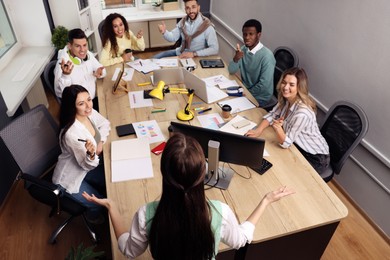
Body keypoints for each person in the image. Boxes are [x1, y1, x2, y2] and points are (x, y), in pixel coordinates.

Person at [83, 133, 294, 259]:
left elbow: (128, 250)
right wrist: (265, 201)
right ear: (203, 174)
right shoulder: (219, 212)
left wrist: (112, 207)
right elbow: (241, 239)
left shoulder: (145, 214)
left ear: (164, 174)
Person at [246, 67, 330, 174]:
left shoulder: (302, 113)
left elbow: (286, 143)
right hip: (296, 145)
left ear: (299, 87)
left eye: (291, 85)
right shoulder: (286, 99)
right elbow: (272, 115)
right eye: (284, 83)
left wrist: (278, 129)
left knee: (284, 173)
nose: (285, 87)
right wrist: (258, 130)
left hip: (316, 157)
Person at [53, 84, 111, 223]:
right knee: (100, 203)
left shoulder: (89, 114)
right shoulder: (72, 134)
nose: (88, 106)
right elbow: (87, 165)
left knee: (111, 181)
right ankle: (93, 217)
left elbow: (105, 123)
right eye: (81, 103)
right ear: (73, 107)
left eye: (89, 99)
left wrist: (100, 142)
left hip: (86, 169)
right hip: (71, 178)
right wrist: (91, 154)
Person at [228, 19, 275, 108]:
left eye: (251, 34)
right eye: (245, 34)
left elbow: (263, 86)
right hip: (246, 91)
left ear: (258, 35)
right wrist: (236, 58)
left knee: (234, 109)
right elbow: (231, 70)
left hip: (260, 97)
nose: (247, 37)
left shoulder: (267, 56)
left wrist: (245, 93)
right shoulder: (243, 50)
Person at [54, 28, 106, 109]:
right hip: (81, 107)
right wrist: (65, 76)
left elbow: (101, 69)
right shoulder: (63, 64)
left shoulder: (88, 54)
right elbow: (62, 93)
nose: (83, 50)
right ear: (69, 46)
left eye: (84, 45)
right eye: (78, 46)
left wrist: (100, 72)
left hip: (94, 98)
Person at [153, 0, 219, 59]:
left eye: (193, 7)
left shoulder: (207, 26)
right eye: (188, 8)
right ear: (185, 9)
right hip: (181, 52)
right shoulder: (183, 22)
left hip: (197, 56)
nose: (191, 11)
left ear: (198, 7)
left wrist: (193, 54)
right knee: (155, 58)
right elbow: (172, 37)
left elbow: (214, 49)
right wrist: (164, 32)